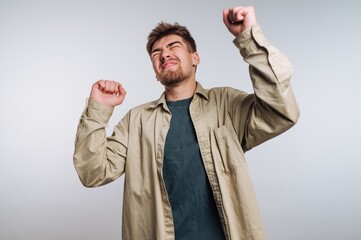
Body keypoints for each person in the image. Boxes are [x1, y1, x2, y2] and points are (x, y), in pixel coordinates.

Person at [73, 5, 300, 240]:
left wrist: (249, 38)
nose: (164, 54)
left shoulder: (226, 103)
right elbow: (93, 172)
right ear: (155, 71)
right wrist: (98, 109)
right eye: (156, 53)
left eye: (174, 46)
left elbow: (280, 112)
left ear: (195, 58)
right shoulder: (136, 121)